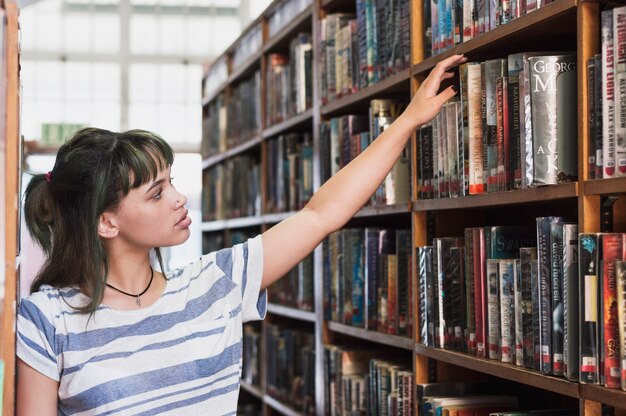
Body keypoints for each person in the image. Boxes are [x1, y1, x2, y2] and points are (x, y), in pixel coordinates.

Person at [16, 54, 466, 415]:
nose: (178, 199)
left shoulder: (215, 285)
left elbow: (321, 214)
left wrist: (406, 122)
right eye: (157, 193)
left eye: (172, 181)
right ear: (106, 222)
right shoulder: (47, 321)